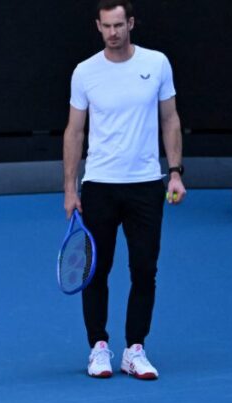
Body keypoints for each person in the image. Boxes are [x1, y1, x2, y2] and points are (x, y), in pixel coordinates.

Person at [63, 0, 186, 380]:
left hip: (146, 186)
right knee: (96, 271)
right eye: (106, 26)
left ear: (130, 23)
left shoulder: (157, 64)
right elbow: (75, 131)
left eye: (119, 25)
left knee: (144, 270)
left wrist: (176, 172)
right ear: (97, 27)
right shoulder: (84, 72)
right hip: (99, 186)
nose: (113, 33)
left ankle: (135, 349)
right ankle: (98, 347)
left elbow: (170, 119)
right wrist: (70, 187)